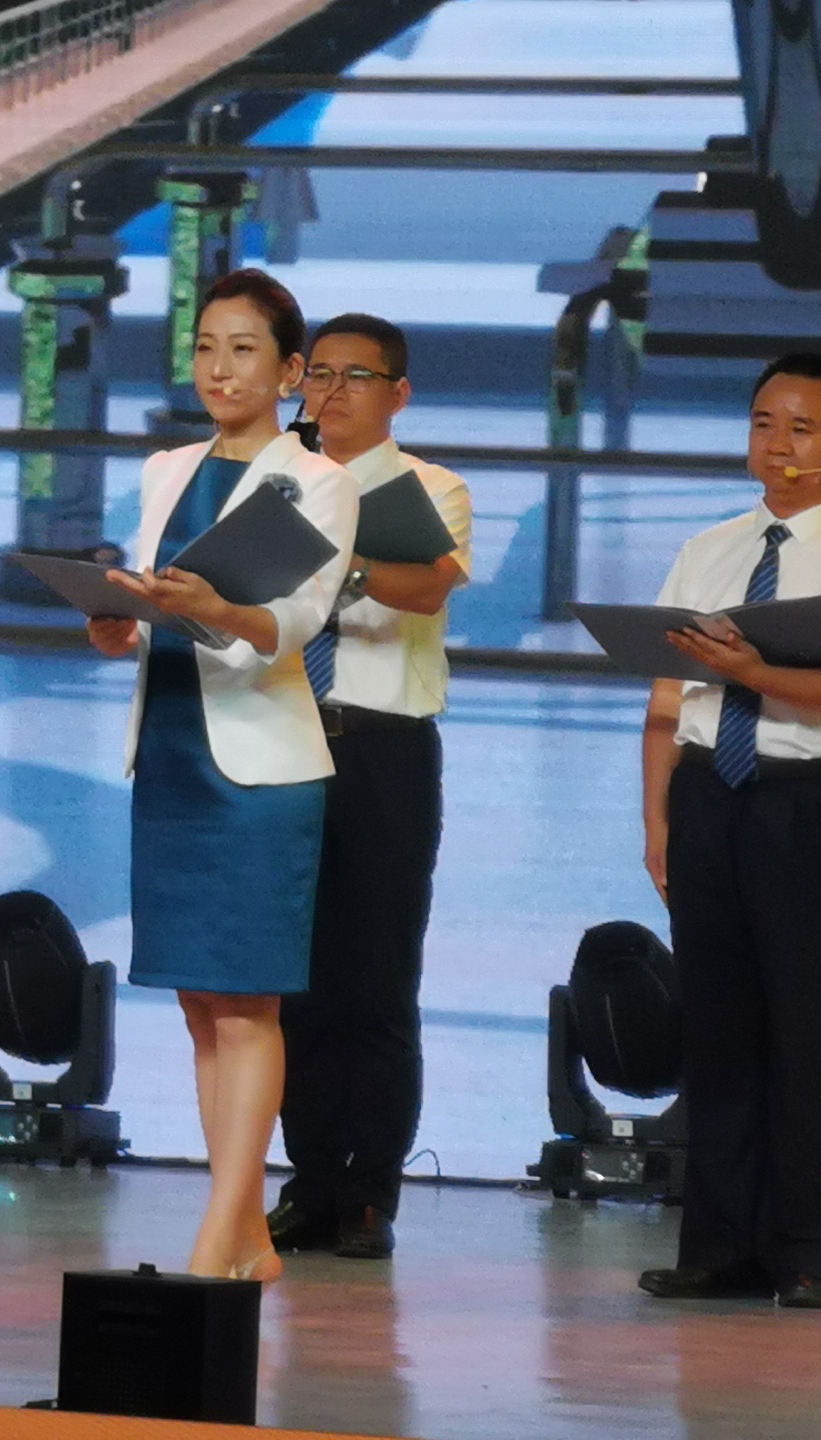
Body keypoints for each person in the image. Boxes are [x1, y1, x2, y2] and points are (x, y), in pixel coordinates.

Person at [87, 266, 361, 1283]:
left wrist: (215, 609)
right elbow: (147, 618)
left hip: (256, 770)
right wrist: (116, 622)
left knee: (247, 1006)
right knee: (201, 1004)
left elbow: (294, 623)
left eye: (244, 350)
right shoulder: (167, 468)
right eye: (206, 347)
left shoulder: (318, 481)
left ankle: (223, 1236)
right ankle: (242, 1230)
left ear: (290, 373)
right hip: (169, 752)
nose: (219, 367)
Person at [636, 350, 821, 1312]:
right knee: (718, 1033)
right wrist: (658, 818)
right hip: (707, 795)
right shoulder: (708, 549)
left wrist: (753, 671)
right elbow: (665, 701)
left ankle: (805, 1252)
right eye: (764, 423)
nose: (779, 444)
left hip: (809, 804)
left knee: (809, 1033)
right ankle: (719, 1248)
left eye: (802, 428)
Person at [269, 310, 471, 1262]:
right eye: (320, 374)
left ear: (400, 393)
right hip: (282, 740)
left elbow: (426, 587)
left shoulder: (431, 489)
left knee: (378, 982)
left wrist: (336, 555)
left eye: (357, 376)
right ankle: (310, 1183)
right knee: (297, 983)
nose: (333, 392)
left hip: (384, 751)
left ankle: (368, 1194)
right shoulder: (275, 481)